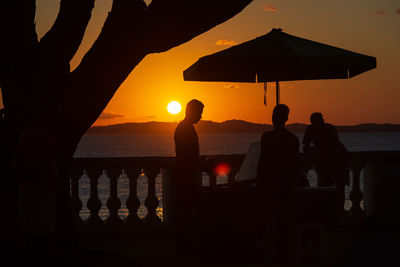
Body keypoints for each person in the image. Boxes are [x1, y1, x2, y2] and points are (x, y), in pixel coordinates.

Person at [256, 104, 303, 259]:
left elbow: (263, 164)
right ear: (286, 119)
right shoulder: (292, 139)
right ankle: (285, 250)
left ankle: (272, 249)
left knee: (271, 219)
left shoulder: (267, 138)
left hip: (272, 185)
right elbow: (295, 165)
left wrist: (262, 183)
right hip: (285, 185)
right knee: (284, 219)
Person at [173, 99, 204, 256]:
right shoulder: (185, 129)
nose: (201, 116)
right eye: (199, 112)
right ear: (191, 111)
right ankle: (184, 249)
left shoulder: (184, 128)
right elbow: (187, 157)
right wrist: (200, 165)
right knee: (186, 213)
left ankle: (184, 247)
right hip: (185, 178)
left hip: (185, 176)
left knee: (185, 213)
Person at [302, 112, 349, 212]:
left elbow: (331, 146)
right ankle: (333, 210)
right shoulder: (317, 128)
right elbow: (307, 146)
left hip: (338, 160)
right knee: (331, 186)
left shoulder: (323, 129)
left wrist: (312, 152)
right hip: (333, 160)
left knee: (334, 187)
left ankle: (334, 210)